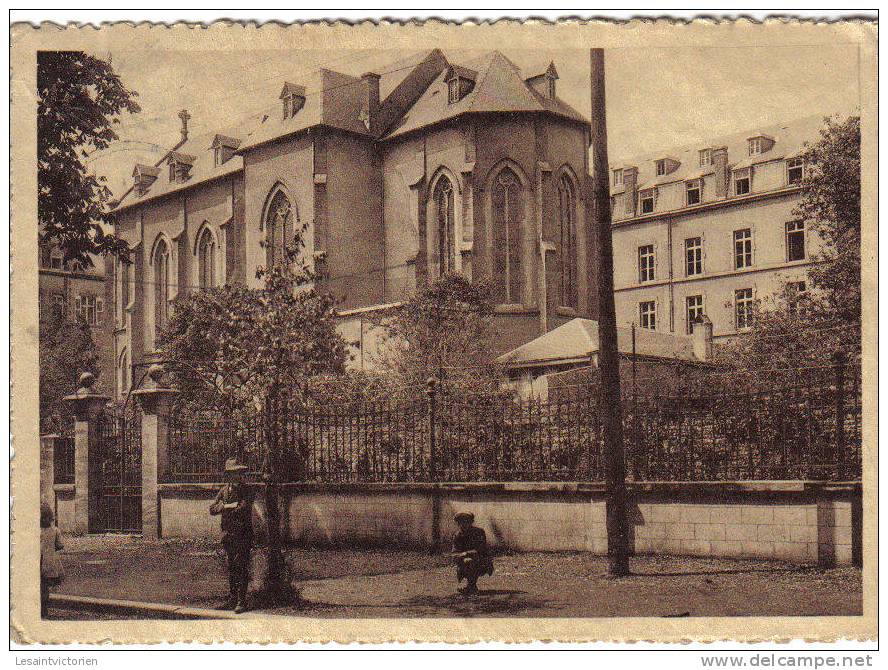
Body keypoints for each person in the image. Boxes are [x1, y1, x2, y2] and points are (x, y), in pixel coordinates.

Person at [210, 458, 254, 613]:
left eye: (239, 473)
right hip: (228, 534)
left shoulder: (247, 490)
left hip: (243, 534)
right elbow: (212, 509)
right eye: (233, 474)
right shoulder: (223, 491)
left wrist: (225, 507)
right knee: (231, 567)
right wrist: (223, 507)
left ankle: (242, 602)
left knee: (241, 566)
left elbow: (243, 508)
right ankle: (232, 599)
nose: (237, 476)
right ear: (228, 475)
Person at [451, 511, 493, 595]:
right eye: (461, 522)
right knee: (467, 561)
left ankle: (471, 587)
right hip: (464, 561)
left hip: (482, 560)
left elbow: (481, 549)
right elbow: (455, 552)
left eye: (466, 521)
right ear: (458, 523)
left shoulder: (479, 532)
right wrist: (459, 556)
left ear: (471, 522)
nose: (464, 524)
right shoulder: (457, 535)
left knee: (470, 561)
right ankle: (471, 586)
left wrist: (466, 553)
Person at [40, 502, 64, 618]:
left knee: (40, 586)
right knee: (45, 588)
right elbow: (60, 545)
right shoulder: (55, 530)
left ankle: (41, 609)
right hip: (49, 563)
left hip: (38, 562)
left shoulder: (37, 531)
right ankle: (44, 609)